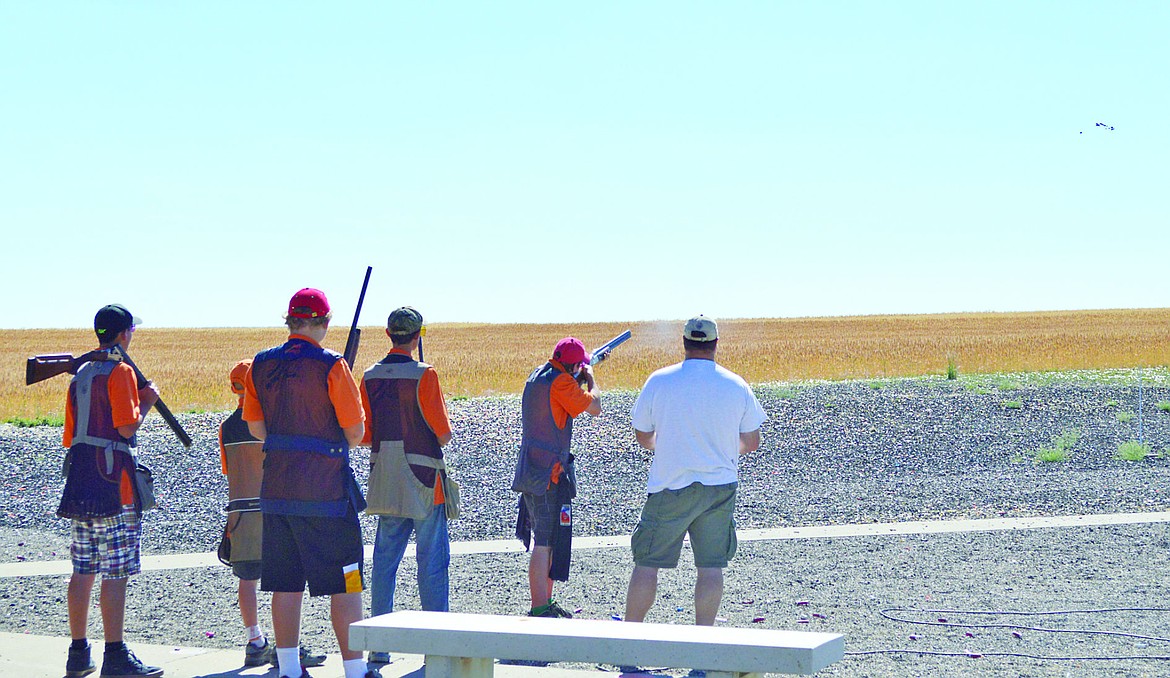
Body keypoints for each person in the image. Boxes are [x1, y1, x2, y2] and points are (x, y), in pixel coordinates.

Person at [241, 288, 377, 678]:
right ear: (325, 322)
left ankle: (288, 669)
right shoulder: (333, 365)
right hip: (328, 495)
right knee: (348, 583)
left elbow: (256, 427)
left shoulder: (261, 364)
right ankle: (355, 671)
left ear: (290, 321)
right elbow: (354, 432)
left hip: (278, 492)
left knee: (285, 584)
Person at [623, 316, 767, 627]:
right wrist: (725, 451)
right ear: (715, 344)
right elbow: (752, 441)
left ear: (685, 343)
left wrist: (664, 447)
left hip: (669, 485)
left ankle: (628, 643)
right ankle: (704, 643)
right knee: (710, 566)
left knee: (647, 563)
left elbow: (643, 435)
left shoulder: (659, 380)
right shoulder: (736, 384)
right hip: (719, 486)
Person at [59, 304, 163, 678]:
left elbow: (70, 436)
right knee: (114, 573)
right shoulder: (119, 373)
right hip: (114, 486)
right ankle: (115, 654)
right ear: (123, 334)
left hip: (80, 483)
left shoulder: (81, 374)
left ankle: (77, 652)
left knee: (82, 570)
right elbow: (125, 429)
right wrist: (147, 401)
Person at [360, 307, 454, 665]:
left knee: (384, 561)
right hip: (424, 479)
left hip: (385, 477)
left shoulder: (369, 376)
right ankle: (437, 647)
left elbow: (366, 435)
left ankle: (379, 646)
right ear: (418, 337)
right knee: (431, 562)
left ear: (388, 334)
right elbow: (442, 435)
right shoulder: (425, 375)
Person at [218, 360, 326, 670]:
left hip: (239, 514)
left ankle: (255, 641)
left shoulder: (226, 426)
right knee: (285, 581)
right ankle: (286, 647)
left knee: (247, 579)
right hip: (272, 509)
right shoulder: (269, 421)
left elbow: (229, 469)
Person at [511, 337, 601, 618]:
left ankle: (545, 603)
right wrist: (592, 379)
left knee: (546, 538)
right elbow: (595, 406)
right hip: (548, 473)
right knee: (545, 541)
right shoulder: (562, 383)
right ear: (574, 365)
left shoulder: (538, 374)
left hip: (532, 468)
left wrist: (579, 376)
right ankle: (539, 607)